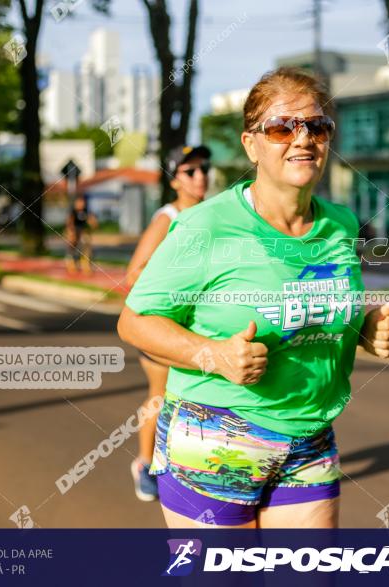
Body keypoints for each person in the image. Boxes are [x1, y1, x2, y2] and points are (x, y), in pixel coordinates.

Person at [117, 67, 389, 528]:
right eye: (281, 126)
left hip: (309, 438)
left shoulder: (342, 225)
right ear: (251, 143)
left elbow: (315, 309)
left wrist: (363, 329)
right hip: (214, 439)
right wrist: (212, 354)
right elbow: (134, 321)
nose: (302, 138)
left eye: (317, 126)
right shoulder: (206, 227)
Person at [125, 145, 211, 502]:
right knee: (160, 397)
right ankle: (144, 465)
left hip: (198, 331)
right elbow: (134, 273)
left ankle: (196, 469)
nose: (201, 175)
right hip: (165, 328)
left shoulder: (211, 214)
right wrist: (177, 293)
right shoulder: (168, 218)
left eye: (204, 168)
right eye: (190, 171)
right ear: (175, 179)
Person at [65, 195, 98, 274]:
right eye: (79, 202)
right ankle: (71, 262)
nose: (81, 204)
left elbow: (91, 221)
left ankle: (86, 265)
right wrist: (71, 232)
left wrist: (93, 223)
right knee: (73, 247)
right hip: (74, 231)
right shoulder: (73, 211)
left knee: (86, 246)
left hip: (83, 231)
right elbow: (69, 222)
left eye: (82, 202)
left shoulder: (86, 211)